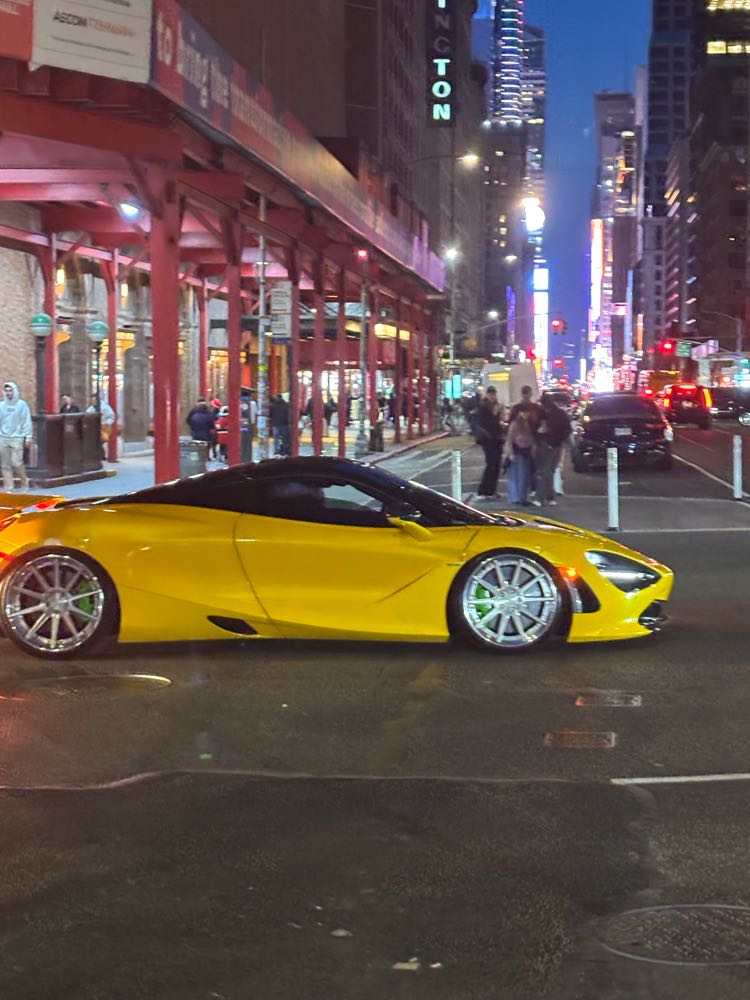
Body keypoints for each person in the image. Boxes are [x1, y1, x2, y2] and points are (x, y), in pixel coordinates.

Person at [533, 394, 572, 506]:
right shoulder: (559, 413)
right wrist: (560, 439)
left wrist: (539, 436)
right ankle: (550, 497)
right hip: (554, 445)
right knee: (549, 471)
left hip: (547, 444)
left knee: (546, 471)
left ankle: (540, 498)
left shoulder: (544, 414)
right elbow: (567, 429)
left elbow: (535, 428)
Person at [0, 382, 32, 493]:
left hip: (17, 437)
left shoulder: (22, 405)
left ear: (15, 391)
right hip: (3, 437)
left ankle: (24, 482)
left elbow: (26, 421)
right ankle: (9, 487)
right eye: (7, 391)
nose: (9, 393)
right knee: (5, 464)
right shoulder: (1, 405)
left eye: (11, 390)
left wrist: (28, 436)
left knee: (16, 462)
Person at [473, 385, 504, 499]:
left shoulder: (495, 405)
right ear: (487, 395)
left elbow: (498, 423)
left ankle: (491, 490)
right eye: (491, 394)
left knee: (496, 465)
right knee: (491, 464)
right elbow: (486, 423)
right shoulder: (483, 406)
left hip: (496, 439)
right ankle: (484, 490)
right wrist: (495, 413)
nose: (493, 396)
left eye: (494, 394)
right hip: (488, 440)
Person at [503, 408, 535, 505]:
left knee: (524, 476)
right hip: (517, 452)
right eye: (523, 412)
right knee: (517, 476)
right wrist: (510, 453)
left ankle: (521, 497)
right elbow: (509, 439)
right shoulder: (515, 424)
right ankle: (516, 498)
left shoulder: (528, 424)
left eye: (527, 412)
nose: (525, 414)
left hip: (526, 452)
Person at [86, 393, 117, 459]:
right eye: (92, 401)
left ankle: (101, 456)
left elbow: (112, 417)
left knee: (100, 441)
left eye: (94, 400)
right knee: (94, 441)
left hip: (104, 428)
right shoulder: (90, 408)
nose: (93, 402)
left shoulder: (105, 407)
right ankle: (99, 456)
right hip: (95, 428)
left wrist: (106, 423)